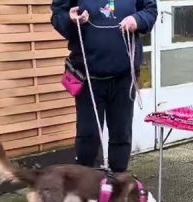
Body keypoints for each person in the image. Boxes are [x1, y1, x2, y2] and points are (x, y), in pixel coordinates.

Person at [51, 0, 158, 173]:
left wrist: (137, 20)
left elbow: (150, 10)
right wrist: (70, 20)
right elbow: (58, 16)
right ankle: (84, 183)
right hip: (89, 77)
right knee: (89, 136)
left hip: (124, 75)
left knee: (121, 134)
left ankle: (118, 181)